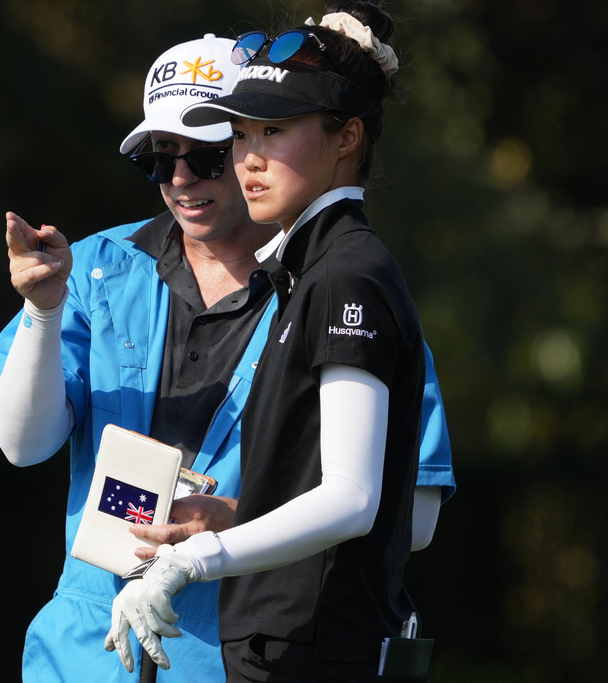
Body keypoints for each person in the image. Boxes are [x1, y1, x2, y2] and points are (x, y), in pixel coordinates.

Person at [0, 30, 453, 683]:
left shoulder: (344, 289)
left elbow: (409, 518)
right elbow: (23, 444)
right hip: (85, 649)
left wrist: (234, 519)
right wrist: (43, 308)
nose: (180, 180)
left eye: (208, 156)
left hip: (240, 652)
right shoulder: (93, 268)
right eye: (159, 159)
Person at [105, 4, 438, 682]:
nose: (248, 158)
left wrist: (189, 560)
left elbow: (350, 497)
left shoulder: (348, 272)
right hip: (283, 648)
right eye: (242, 134)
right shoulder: (309, 269)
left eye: (276, 131)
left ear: (346, 137)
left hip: (321, 653)